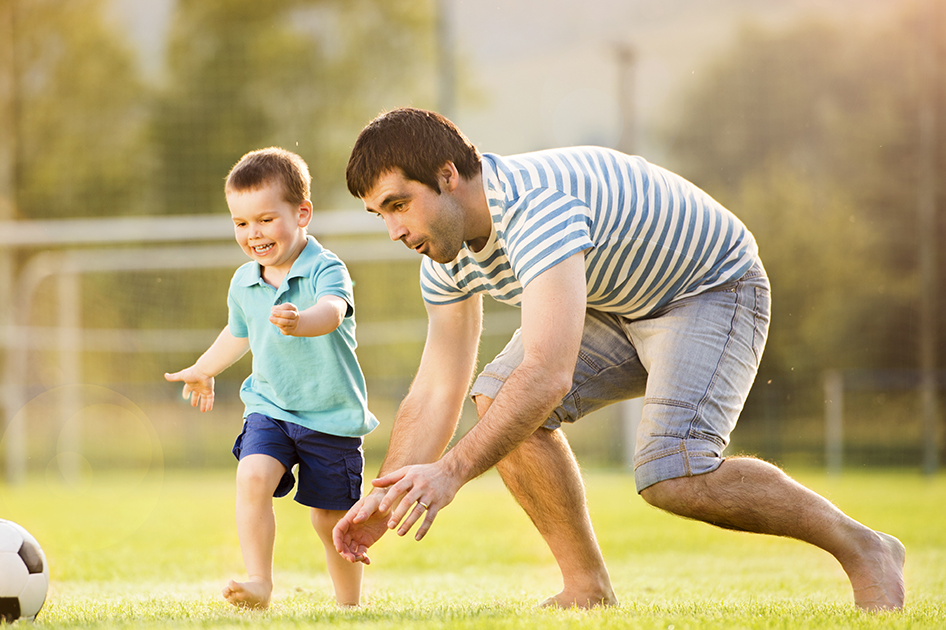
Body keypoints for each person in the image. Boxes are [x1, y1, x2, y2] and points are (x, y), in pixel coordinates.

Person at [330, 107, 905, 611]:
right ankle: (586, 587)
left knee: (674, 473)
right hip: (615, 302)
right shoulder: (443, 254)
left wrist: (452, 472)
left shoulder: (536, 210)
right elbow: (436, 388)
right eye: (381, 213)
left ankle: (866, 547)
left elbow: (549, 375)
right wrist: (387, 494)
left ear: (448, 176)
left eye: (398, 204)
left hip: (709, 288)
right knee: (497, 399)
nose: (393, 230)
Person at [165, 147, 378, 609]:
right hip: (270, 407)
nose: (253, 234)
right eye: (241, 223)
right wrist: (204, 369)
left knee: (330, 520)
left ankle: (348, 603)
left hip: (331, 416)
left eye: (264, 220)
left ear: (302, 213)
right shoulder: (244, 281)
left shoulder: (327, 267)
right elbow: (237, 332)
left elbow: (332, 311)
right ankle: (259, 581)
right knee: (253, 475)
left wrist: (300, 320)